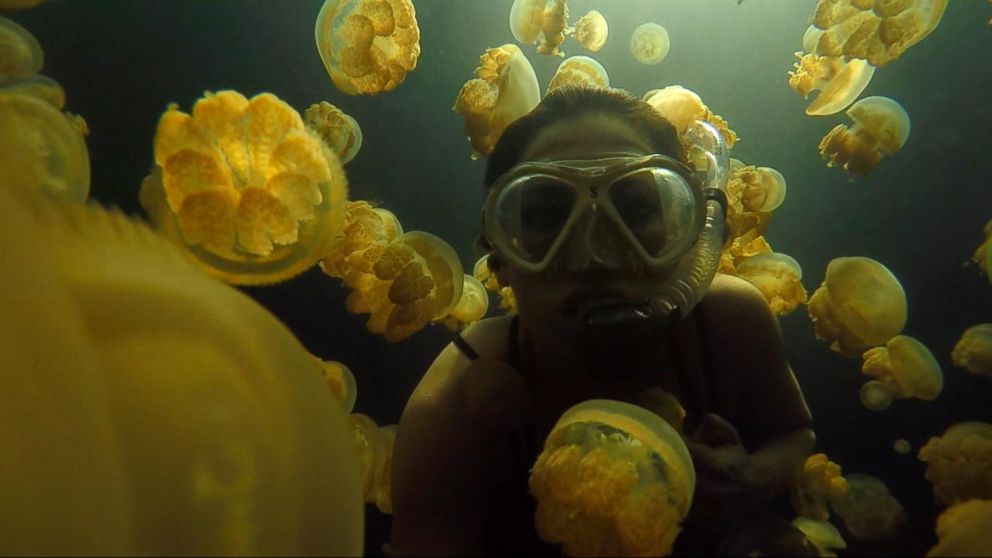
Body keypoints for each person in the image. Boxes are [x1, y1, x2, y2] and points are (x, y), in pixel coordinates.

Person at [390, 86, 815, 556]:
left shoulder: (730, 323)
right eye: (547, 215)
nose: (596, 255)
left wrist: (753, 479)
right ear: (500, 259)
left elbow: (794, 435)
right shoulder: (451, 413)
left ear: (693, 234)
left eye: (635, 208)